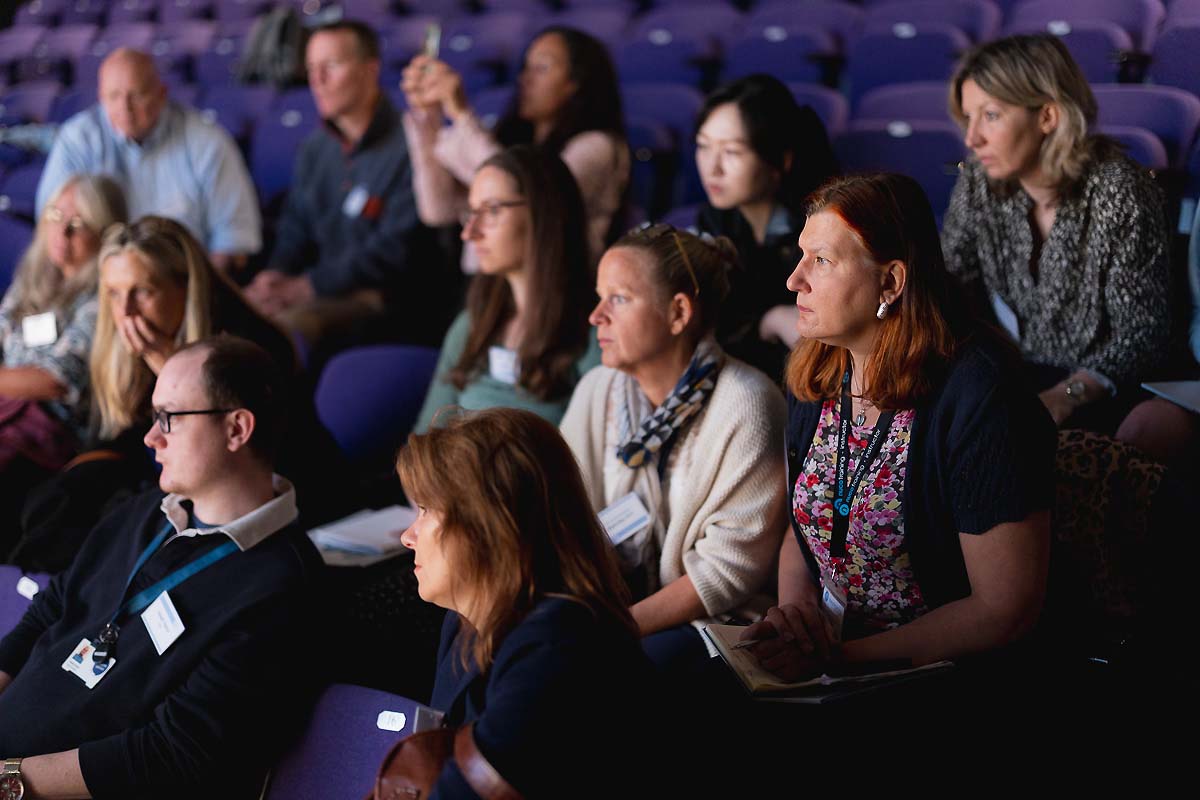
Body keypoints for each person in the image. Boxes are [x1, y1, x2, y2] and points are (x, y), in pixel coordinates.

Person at [740, 173, 1053, 681]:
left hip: (942, 675)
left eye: (822, 261)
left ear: (890, 282)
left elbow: (1004, 609)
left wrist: (840, 662)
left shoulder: (983, 397)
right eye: (802, 256)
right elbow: (806, 525)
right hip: (835, 660)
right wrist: (797, 618)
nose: (795, 280)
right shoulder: (817, 368)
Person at [0, 335, 326, 799]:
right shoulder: (145, 510)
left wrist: (10, 781)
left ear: (236, 429)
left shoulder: (281, 586)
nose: (151, 437)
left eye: (169, 418)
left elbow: (172, 752)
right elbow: (50, 610)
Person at [9, 216, 347, 573]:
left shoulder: (248, 349)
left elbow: (238, 462)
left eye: (143, 291)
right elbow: (120, 435)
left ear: (185, 287)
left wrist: (167, 367)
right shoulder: (126, 345)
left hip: (279, 500)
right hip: (171, 480)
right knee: (55, 505)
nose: (125, 311)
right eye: (114, 294)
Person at [396, 407, 659, 799]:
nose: (408, 536)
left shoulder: (558, 649)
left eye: (426, 510)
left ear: (487, 524)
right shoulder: (466, 622)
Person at [559, 224, 787, 674]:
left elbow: (727, 572)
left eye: (618, 299)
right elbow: (560, 514)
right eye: (600, 297)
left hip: (716, 624)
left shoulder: (749, 403)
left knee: (611, 670)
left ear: (678, 312)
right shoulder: (597, 389)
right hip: (614, 602)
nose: (596, 316)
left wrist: (612, 627)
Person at [941, 33, 1172, 438]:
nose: (972, 138)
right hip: (1011, 376)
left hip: (1104, 391)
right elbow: (950, 286)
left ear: (1047, 116)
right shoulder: (979, 180)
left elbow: (1142, 334)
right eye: (968, 117)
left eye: (991, 115)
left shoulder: (1119, 190)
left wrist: (1067, 395)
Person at [245, 20, 447, 351]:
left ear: (370, 70)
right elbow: (295, 227)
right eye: (311, 68)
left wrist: (309, 286)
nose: (317, 80)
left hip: (387, 300)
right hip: (319, 289)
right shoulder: (314, 148)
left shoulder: (411, 144)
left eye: (331, 65)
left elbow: (398, 250)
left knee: (284, 330)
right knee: (234, 311)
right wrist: (276, 275)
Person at [402, 25, 629, 267]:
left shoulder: (598, 146)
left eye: (542, 68)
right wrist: (428, 116)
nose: (524, 79)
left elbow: (532, 200)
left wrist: (460, 114)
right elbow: (438, 210)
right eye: (525, 67)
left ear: (576, 82)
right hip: (487, 281)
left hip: (554, 282)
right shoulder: (509, 140)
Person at [414, 145, 599, 433]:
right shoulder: (473, 324)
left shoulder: (597, 331)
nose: (469, 233)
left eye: (492, 210)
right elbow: (427, 437)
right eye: (471, 212)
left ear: (543, 213)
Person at [35, 48, 260, 269]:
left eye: (137, 95)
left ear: (162, 93)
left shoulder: (207, 142)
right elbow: (50, 225)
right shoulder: (77, 139)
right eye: (113, 96)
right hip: (99, 279)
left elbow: (233, 240)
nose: (125, 107)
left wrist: (202, 288)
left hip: (184, 278)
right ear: (100, 97)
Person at [0, 175, 126, 546]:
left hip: (53, 432)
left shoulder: (105, 295)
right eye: (56, 215)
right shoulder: (35, 277)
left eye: (78, 223)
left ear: (103, 233)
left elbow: (55, 380)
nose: (62, 232)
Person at [693, 73, 839, 378]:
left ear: (781, 160)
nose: (712, 168)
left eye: (731, 152)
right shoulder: (714, 220)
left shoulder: (824, 228)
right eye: (703, 146)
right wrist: (769, 320)